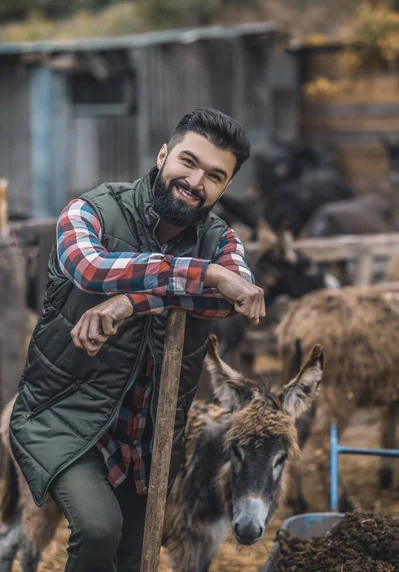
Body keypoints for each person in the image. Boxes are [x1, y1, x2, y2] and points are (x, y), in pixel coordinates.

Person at [9, 107, 265, 572]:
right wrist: (203, 275)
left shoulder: (222, 240)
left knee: (129, 560)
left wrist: (132, 303)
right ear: (163, 155)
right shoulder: (90, 211)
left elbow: (234, 300)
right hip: (64, 413)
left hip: (149, 435)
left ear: (225, 187)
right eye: (187, 162)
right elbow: (91, 268)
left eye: (214, 175)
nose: (195, 181)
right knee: (98, 527)